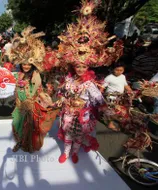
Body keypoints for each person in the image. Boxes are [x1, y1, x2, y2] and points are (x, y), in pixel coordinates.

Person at [55, 0, 123, 164]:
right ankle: (65, 152)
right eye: (77, 66)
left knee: (79, 135)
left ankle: (75, 153)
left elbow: (98, 99)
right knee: (69, 134)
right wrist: (60, 99)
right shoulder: (69, 79)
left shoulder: (90, 84)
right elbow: (61, 92)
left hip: (84, 113)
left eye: (83, 67)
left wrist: (109, 113)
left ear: (87, 68)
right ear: (74, 66)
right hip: (69, 112)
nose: (80, 69)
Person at [8, 26, 58, 153]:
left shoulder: (36, 76)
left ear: (32, 64)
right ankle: (19, 142)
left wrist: (48, 102)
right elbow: (10, 86)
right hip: (19, 106)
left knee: (28, 128)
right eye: (23, 64)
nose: (25, 66)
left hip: (31, 107)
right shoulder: (17, 74)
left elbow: (39, 91)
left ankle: (26, 145)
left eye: (28, 64)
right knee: (17, 125)